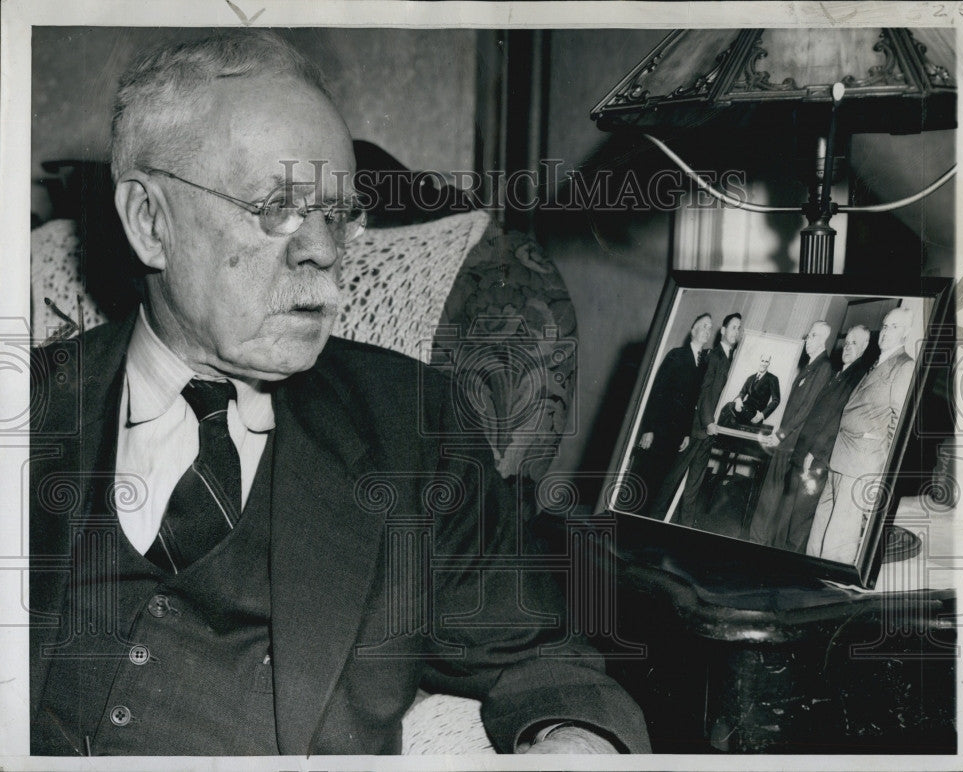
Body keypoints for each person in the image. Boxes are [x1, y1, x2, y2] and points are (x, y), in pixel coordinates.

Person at [28, 31, 649, 756]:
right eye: (277, 207)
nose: (322, 250)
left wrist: (576, 742)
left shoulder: (413, 427)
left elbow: (542, 660)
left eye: (338, 213)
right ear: (149, 222)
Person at [806, 308, 916, 563]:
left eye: (895, 327)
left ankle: (830, 587)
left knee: (841, 533)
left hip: (861, 461)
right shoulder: (877, 363)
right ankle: (811, 571)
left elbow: (899, 423)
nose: (887, 331)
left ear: (907, 333)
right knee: (822, 522)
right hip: (840, 455)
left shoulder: (904, 365)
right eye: (886, 326)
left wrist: (881, 468)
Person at [751, 325, 873, 551]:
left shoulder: (856, 377)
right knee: (786, 515)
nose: (847, 347)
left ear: (865, 347)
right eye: (847, 342)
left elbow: (836, 419)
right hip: (803, 453)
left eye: (854, 343)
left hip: (814, 458)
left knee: (798, 520)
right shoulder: (840, 373)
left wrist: (813, 453)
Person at [744, 321, 833, 545]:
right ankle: (758, 541)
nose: (807, 339)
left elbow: (806, 409)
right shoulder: (812, 365)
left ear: (823, 339)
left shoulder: (823, 367)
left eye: (812, 335)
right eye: (808, 334)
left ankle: (757, 541)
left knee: (772, 496)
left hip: (791, 442)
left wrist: (781, 434)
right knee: (772, 496)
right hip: (787, 439)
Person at [630, 312, 712, 515]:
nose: (707, 331)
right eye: (703, 325)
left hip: (675, 437)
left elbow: (692, 402)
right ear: (693, 330)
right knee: (642, 479)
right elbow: (656, 392)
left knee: (659, 482)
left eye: (710, 328)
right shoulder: (676, 355)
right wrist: (648, 429)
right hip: (658, 430)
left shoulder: (702, 365)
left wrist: (685, 433)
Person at [670, 311, 742, 526]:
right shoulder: (714, 356)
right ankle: (653, 519)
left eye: (739, 328)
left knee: (694, 484)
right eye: (733, 327)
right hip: (698, 428)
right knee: (672, 479)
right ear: (723, 331)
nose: (737, 332)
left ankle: (685, 526)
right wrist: (709, 421)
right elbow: (704, 391)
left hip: (710, 433)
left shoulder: (732, 360)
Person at [717, 354, 780, 430]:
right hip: (744, 408)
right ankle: (720, 433)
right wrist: (739, 400)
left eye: (766, 361)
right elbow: (742, 393)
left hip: (756, 414)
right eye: (762, 361)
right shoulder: (750, 378)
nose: (764, 363)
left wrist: (762, 415)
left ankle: (719, 434)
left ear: (769, 364)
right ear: (759, 361)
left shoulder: (772, 378)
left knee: (730, 410)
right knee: (729, 407)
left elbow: (776, 400)